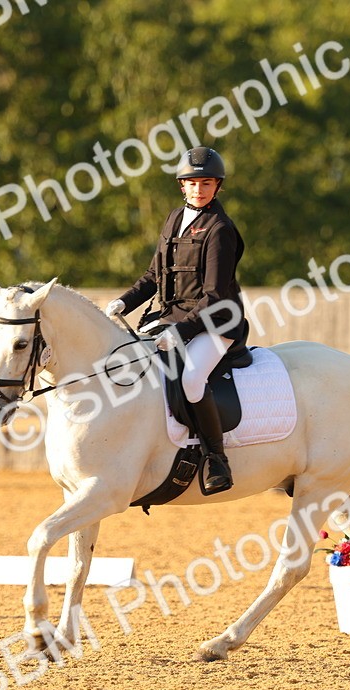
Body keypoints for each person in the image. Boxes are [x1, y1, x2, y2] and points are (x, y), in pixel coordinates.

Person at [105, 146, 247, 494]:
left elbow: (213, 295)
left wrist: (181, 331)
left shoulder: (220, 229)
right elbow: (154, 276)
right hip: (170, 316)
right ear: (181, 185)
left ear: (218, 187)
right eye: (193, 183)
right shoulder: (173, 218)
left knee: (192, 378)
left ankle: (217, 459)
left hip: (216, 322)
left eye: (207, 183)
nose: (199, 190)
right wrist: (124, 302)